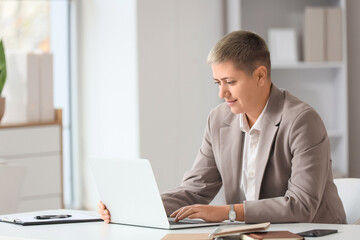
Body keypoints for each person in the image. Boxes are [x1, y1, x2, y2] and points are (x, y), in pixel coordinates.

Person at [98, 30, 346, 224]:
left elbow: (301, 205)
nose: (221, 93)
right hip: (254, 233)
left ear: (260, 76)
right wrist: (135, 206)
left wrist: (226, 213)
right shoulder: (218, 120)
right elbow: (196, 189)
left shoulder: (302, 121)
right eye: (217, 82)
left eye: (230, 82)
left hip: (315, 233)